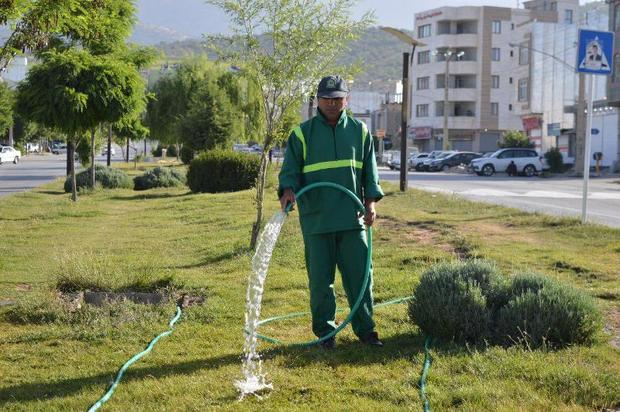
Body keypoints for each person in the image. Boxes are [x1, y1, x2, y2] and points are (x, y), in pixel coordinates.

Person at [278, 75, 384, 349]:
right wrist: (288, 190)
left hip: (353, 220)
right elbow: (289, 172)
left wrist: (370, 203)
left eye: (338, 98)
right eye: (327, 99)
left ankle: (366, 331)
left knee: (360, 278)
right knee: (320, 283)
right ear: (317, 101)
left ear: (346, 99)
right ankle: (326, 334)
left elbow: (369, 175)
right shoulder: (302, 134)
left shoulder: (360, 132)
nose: (332, 104)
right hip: (317, 221)